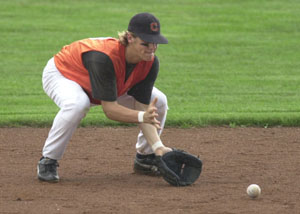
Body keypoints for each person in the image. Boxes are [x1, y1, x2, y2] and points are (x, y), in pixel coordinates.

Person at [37, 12, 172, 182]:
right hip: (64, 74)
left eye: (155, 43)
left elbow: (144, 108)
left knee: (159, 101)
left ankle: (146, 158)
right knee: (78, 104)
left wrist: (158, 146)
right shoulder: (103, 58)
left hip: (107, 81)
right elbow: (110, 110)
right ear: (130, 38)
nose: (151, 48)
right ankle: (48, 160)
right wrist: (141, 116)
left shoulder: (150, 62)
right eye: (145, 43)